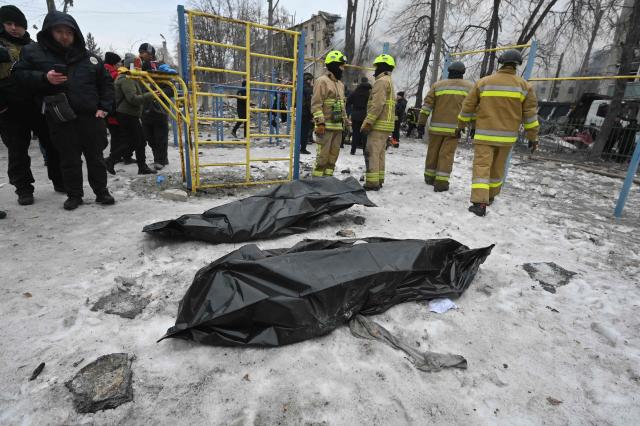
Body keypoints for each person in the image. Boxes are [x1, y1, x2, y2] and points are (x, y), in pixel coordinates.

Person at [12, 11, 115, 210]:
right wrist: (44, 78)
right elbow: (18, 75)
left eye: (69, 32)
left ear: (76, 34)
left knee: (96, 158)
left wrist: (104, 108)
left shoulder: (90, 58)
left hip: (91, 117)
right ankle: (74, 195)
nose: (64, 36)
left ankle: (102, 192)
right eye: (59, 31)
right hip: (60, 116)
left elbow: (106, 84)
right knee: (69, 159)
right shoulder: (33, 52)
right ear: (50, 32)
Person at [458, 49, 539, 217]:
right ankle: (491, 196)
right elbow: (530, 115)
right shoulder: (524, 86)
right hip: (507, 138)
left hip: (484, 135)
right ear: (517, 65)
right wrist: (533, 138)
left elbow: (468, 107)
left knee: (482, 167)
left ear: (501, 63)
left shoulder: (484, 82)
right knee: (497, 168)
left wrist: (460, 125)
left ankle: (480, 202)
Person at [0, 5, 63, 206]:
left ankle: (60, 180)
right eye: (8, 23)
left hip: (37, 104)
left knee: (52, 144)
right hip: (10, 108)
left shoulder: (35, 46)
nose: (13, 28)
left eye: (17, 24)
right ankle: (24, 188)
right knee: (17, 150)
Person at [417, 61, 473, 192]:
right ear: (463, 73)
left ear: (449, 71)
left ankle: (429, 177)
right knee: (446, 155)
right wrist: (474, 126)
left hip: (436, 128)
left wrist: (421, 123)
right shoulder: (469, 87)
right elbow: (473, 108)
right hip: (455, 129)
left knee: (433, 153)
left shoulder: (438, 85)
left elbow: (427, 106)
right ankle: (441, 183)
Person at [105, 56, 157, 175]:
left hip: (130, 114)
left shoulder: (131, 77)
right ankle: (110, 160)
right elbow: (132, 99)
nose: (140, 67)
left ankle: (142, 167)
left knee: (141, 141)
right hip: (126, 115)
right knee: (132, 142)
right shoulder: (126, 78)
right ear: (131, 66)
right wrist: (151, 95)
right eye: (137, 64)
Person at [360, 54, 396, 191]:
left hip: (377, 124)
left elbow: (377, 104)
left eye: (377, 66)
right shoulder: (390, 81)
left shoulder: (381, 82)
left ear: (381, 66)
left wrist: (368, 122)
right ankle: (379, 179)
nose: (375, 69)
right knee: (380, 153)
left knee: (372, 152)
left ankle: (372, 183)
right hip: (386, 125)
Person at [310, 50, 349, 177]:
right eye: (340, 65)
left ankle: (327, 181)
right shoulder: (322, 81)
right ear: (333, 65)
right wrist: (320, 123)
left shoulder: (340, 85)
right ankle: (317, 182)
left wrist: (346, 123)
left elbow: (342, 106)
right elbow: (316, 104)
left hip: (337, 128)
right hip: (325, 127)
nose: (342, 69)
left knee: (333, 157)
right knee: (323, 157)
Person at [103, 51, 126, 164]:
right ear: (113, 64)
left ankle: (116, 156)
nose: (120, 66)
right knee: (119, 134)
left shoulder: (101, 71)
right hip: (116, 109)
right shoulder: (115, 74)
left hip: (106, 109)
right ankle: (115, 156)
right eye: (118, 63)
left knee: (115, 133)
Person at [346, 76, 371, 155]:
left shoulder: (356, 92)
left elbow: (348, 101)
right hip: (365, 115)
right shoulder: (369, 93)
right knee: (364, 134)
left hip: (356, 114)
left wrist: (350, 110)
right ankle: (364, 151)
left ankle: (353, 150)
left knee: (355, 133)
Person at [300, 72, 313, 154]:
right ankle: (303, 148)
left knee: (300, 130)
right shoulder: (308, 89)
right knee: (305, 131)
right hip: (306, 112)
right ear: (308, 80)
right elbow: (310, 102)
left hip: (300, 111)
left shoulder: (299, 87)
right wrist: (312, 113)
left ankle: (300, 146)